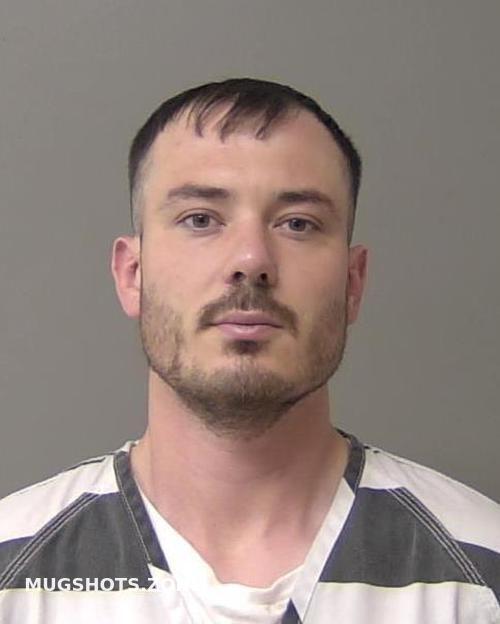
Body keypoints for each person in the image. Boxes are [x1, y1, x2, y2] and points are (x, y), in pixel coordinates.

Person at [0, 78, 498, 624]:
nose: (251, 259)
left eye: (298, 224)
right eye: (200, 219)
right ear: (132, 274)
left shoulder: (481, 575)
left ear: (353, 282)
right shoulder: (12, 575)